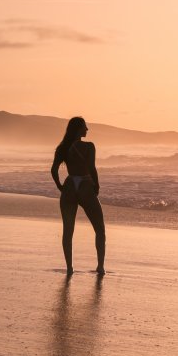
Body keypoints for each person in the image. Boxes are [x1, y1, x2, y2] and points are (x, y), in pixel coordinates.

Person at [50, 116, 106, 275]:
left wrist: (60, 186)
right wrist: (97, 186)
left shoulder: (62, 148)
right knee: (99, 229)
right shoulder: (89, 147)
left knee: (68, 231)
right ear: (78, 129)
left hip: (69, 187)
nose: (87, 129)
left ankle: (69, 268)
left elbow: (53, 170)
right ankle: (100, 267)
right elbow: (92, 168)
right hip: (85, 186)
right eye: (85, 127)